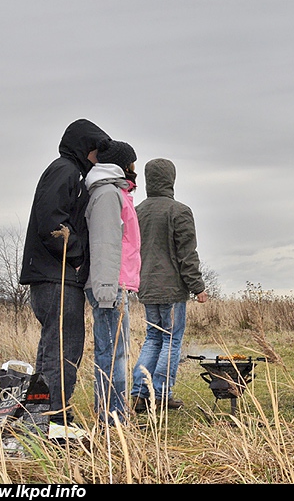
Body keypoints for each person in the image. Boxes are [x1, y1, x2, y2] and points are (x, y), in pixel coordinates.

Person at [20, 119, 110, 440]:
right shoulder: (65, 172)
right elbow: (51, 223)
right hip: (56, 278)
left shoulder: (66, 171)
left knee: (54, 349)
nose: (100, 159)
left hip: (51, 277)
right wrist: (77, 258)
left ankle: (40, 419)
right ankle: (52, 419)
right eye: (98, 152)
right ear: (87, 149)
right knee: (63, 348)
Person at [131, 158, 208, 412]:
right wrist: (197, 286)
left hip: (146, 286)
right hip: (172, 289)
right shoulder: (179, 211)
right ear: (171, 179)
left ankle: (140, 393)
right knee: (171, 340)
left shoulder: (137, 210)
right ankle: (162, 394)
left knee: (153, 338)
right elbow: (187, 253)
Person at [84, 140, 140, 425]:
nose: (135, 169)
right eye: (132, 163)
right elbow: (105, 243)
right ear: (121, 164)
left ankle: (116, 413)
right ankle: (112, 418)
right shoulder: (108, 194)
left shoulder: (115, 191)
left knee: (117, 352)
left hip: (116, 283)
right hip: (109, 285)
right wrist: (107, 290)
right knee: (113, 354)